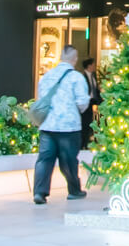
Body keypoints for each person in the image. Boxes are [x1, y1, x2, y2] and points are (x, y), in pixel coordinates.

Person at [32, 45, 91, 205]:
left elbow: (40, 98)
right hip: (68, 126)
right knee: (69, 160)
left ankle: (40, 192)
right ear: (75, 59)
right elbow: (82, 102)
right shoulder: (76, 77)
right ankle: (74, 190)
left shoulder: (47, 76)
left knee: (44, 159)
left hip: (47, 125)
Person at [80, 57, 102, 148]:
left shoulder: (93, 76)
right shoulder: (83, 76)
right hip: (86, 102)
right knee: (86, 122)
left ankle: (88, 140)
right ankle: (83, 143)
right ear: (89, 66)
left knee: (91, 121)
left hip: (93, 101)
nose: (94, 67)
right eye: (93, 65)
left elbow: (95, 89)